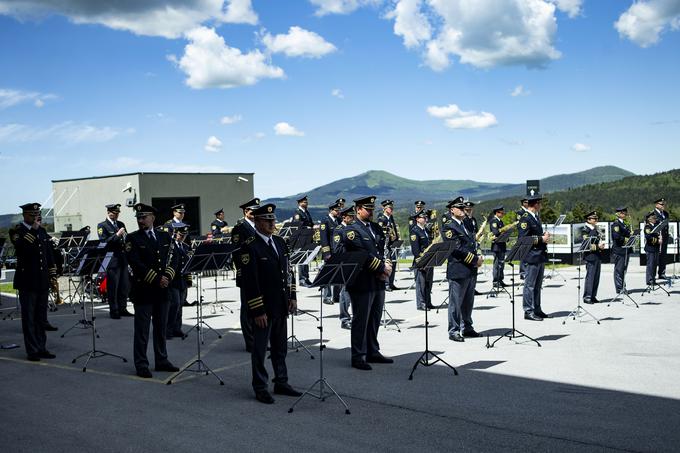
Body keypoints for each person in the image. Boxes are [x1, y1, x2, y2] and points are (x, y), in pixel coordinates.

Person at [237, 203, 301, 404]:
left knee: (280, 347)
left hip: (281, 305)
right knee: (260, 349)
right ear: (257, 221)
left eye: (273, 219)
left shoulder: (280, 242)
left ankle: (281, 381)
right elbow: (250, 282)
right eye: (267, 220)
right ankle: (260, 386)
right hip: (263, 307)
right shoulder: (250, 246)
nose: (272, 223)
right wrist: (257, 311)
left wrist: (292, 296)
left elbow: (288, 272)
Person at [125, 203, 180, 378]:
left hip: (162, 291)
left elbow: (174, 257)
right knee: (142, 330)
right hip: (144, 291)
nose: (140, 220)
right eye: (138, 218)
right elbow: (135, 263)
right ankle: (141, 364)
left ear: (152, 218)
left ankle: (161, 359)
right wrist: (158, 279)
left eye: (144, 217)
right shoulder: (132, 239)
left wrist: (168, 277)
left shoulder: (165, 236)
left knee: (160, 328)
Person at [340, 196, 393, 370]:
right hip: (362, 281)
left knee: (375, 318)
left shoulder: (376, 227)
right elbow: (362, 254)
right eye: (367, 209)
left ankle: (372, 351)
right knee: (361, 320)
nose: (370, 212)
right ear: (358, 210)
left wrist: (387, 265)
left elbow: (381, 249)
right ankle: (358, 355)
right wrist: (382, 269)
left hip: (378, 281)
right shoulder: (351, 230)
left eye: (372, 209)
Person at [10, 203, 57, 361]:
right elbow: (21, 248)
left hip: (42, 281)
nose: (35, 217)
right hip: (27, 281)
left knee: (40, 317)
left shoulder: (42, 231)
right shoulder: (17, 231)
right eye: (32, 215)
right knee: (29, 318)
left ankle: (42, 347)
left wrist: (52, 274)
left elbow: (48, 254)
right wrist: (34, 230)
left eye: (37, 214)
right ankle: (32, 350)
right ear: (24, 215)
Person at [441, 197, 483, 342]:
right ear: (452, 210)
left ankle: (467, 327)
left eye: (463, 207)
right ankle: (454, 330)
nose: (463, 210)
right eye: (459, 208)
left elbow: (471, 243)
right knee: (456, 302)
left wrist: (478, 255)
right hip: (458, 269)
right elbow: (456, 249)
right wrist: (474, 260)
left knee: (468, 301)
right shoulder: (448, 226)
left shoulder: (466, 223)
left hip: (470, 269)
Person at [231, 197, 260, 352]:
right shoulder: (239, 228)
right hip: (247, 271)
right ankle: (250, 342)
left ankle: (259, 338)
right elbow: (236, 252)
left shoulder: (257, 226)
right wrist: (243, 271)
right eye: (252, 211)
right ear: (245, 212)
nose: (254, 214)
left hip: (259, 272)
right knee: (247, 308)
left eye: (256, 212)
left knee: (259, 306)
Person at [518, 194, 551, 321]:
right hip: (531, 256)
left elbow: (535, 235)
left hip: (539, 255)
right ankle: (528, 310)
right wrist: (541, 238)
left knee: (537, 285)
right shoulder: (525, 218)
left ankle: (537, 308)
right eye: (539, 203)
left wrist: (543, 235)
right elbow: (523, 239)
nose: (541, 205)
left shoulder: (535, 217)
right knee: (530, 285)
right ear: (535, 204)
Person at [97, 203, 132, 319]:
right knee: (113, 287)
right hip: (112, 260)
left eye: (118, 213)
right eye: (114, 213)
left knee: (124, 286)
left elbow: (126, 240)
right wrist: (117, 235)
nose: (116, 215)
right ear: (109, 213)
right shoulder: (102, 226)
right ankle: (114, 310)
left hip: (123, 259)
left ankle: (123, 308)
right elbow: (104, 242)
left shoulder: (121, 224)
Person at [333, 207, 355, 329]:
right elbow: (337, 249)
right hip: (345, 263)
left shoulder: (353, 228)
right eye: (350, 217)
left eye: (353, 216)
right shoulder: (339, 230)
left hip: (355, 263)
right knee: (345, 293)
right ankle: (345, 319)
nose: (352, 219)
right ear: (344, 217)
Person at [167, 223, 190, 340]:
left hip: (182, 281)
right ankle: (168, 329)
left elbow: (188, 264)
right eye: (181, 234)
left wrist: (189, 279)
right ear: (175, 234)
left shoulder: (185, 247)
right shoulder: (170, 247)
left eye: (185, 235)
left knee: (180, 305)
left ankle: (177, 328)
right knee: (174, 304)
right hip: (173, 280)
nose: (183, 237)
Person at [410, 211, 434, 310]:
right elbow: (415, 251)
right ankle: (421, 303)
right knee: (421, 284)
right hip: (421, 262)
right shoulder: (415, 231)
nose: (425, 218)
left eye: (425, 217)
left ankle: (428, 302)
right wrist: (422, 262)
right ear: (417, 219)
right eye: (423, 217)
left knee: (428, 283)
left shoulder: (426, 230)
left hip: (429, 260)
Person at [320, 201, 341, 304]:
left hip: (337, 251)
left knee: (338, 274)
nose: (338, 212)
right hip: (329, 252)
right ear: (331, 210)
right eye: (336, 210)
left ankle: (336, 296)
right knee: (328, 275)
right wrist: (326, 253)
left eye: (339, 210)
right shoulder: (325, 221)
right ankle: (327, 297)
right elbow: (323, 239)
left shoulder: (338, 220)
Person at [581, 211, 605, 304]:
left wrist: (600, 245)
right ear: (588, 219)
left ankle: (593, 295)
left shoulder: (595, 228)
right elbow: (586, 245)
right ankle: (587, 296)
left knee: (596, 277)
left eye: (596, 218)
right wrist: (598, 246)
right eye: (594, 219)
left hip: (597, 255)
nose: (596, 220)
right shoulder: (585, 230)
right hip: (590, 256)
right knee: (590, 277)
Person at [377, 200, 401, 291]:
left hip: (393, 244)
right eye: (389, 208)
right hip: (386, 245)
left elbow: (394, 229)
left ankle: (391, 283)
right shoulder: (381, 218)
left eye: (392, 208)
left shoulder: (390, 217)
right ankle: (386, 284)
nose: (391, 209)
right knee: (387, 264)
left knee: (393, 263)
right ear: (384, 208)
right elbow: (380, 233)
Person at [293, 195, 314, 286]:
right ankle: (302, 279)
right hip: (301, 239)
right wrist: (308, 227)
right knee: (302, 259)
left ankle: (306, 277)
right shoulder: (298, 213)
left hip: (308, 238)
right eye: (304, 202)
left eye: (306, 202)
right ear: (299, 203)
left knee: (307, 259)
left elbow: (311, 223)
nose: (306, 203)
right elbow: (297, 226)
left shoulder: (306, 212)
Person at [611, 207, 632, 294]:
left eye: (625, 213)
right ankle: (619, 288)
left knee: (624, 269)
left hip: (625, 250)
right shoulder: (616, 224)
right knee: (619, 270)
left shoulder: (624, 224)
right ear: (619, 214)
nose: (625, 214)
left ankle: (623, 286)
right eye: (623, 213)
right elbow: (616, 237)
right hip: (619, 250)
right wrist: (626, 239)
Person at [489, 205, 508, 287]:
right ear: (497, 212)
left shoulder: (500, 221)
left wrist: (506, 236)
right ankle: (496, 281)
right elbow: (495, 232)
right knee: (497, 264)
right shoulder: (494, 221)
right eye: (501, 212)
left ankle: (500, 279)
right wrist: (503, 233)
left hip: (502, 245)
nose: (503, 214)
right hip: (497, 246)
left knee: (502, 264)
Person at [653, 198, 670, 279]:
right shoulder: (653, 214)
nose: (663, 206)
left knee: (663, 256)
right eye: (661, 204)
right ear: (656, 205)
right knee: (656, 257)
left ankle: (662, 273)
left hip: (665, 237)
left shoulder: (666, 213)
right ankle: (653, 275)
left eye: (664, 204)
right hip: (657, 239)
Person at [644, 211, 661, 286]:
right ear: (649, 219)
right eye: (653, 218)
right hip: (650, 248)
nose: (655, 219)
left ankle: (653, 279)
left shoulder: (655, 226)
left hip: (656, 248)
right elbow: (648, 237)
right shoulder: (647, 227)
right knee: (650, 265)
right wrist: (658, 240)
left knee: (655, 265)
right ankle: (649, 280)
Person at [517, 198, 529, 279]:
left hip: (528, 236)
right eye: (526, 202)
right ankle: (522, 272)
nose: (527, 203)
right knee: (523, 256)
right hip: (522, 236)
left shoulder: (528, 212)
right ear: (523, 203)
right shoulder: (520, 212)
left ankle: (526, 271)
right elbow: (520, 224)